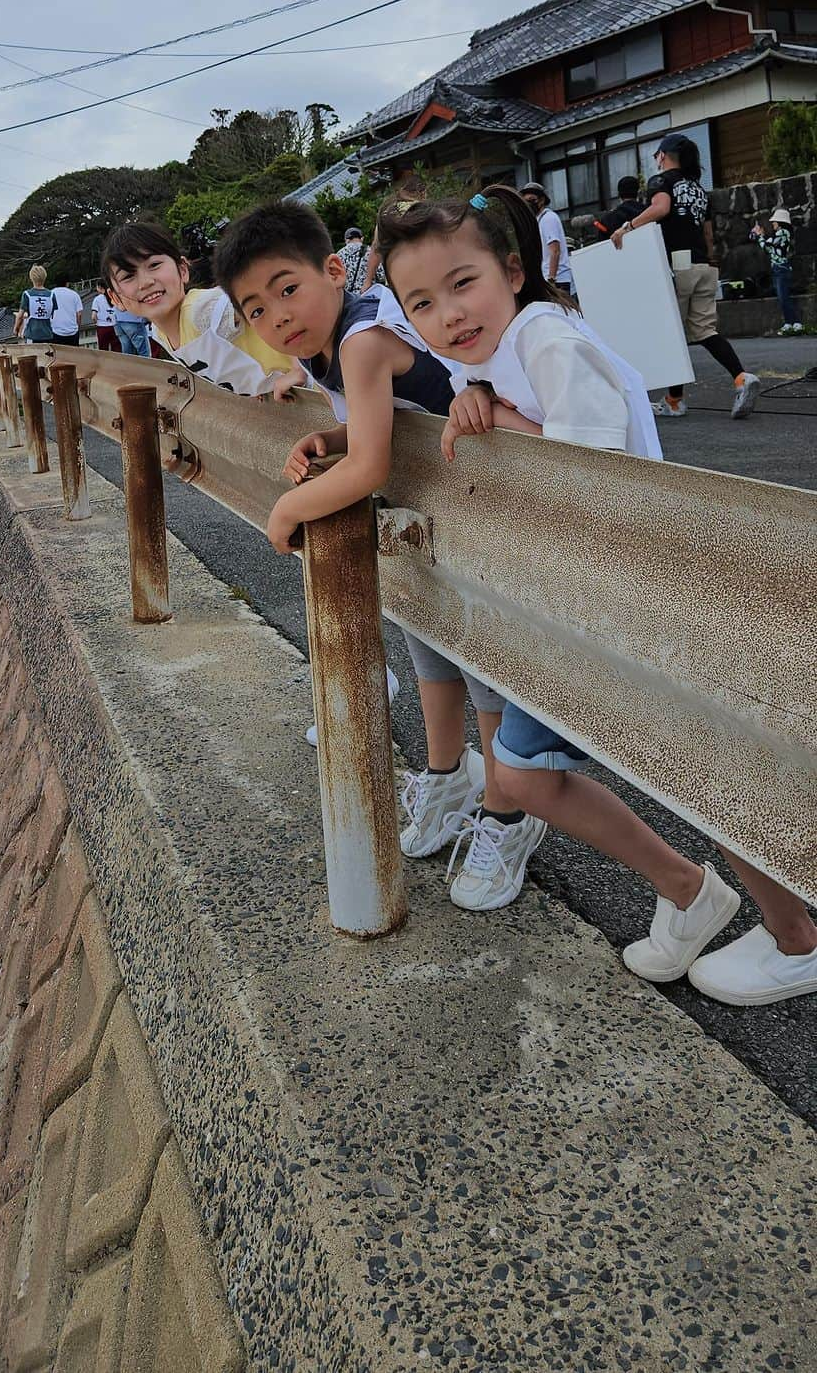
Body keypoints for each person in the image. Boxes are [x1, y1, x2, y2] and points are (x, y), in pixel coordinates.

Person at [376, 184, 817, 999]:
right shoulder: (487, 351)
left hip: (639, 581)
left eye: (463, 282)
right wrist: (477, 392)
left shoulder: (543, 335)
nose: (450, 313)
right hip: (591, 586)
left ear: (513, 271)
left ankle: (782, 932)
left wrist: (496, 417)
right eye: (422, 302)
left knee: (693, 757)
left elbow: (590, 474)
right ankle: (701, 897)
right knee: (601, 765)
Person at [213, 201, 546, 912]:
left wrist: (290, 507)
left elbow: (369, 466)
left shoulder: (360, 339)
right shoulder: (324, 343)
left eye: (288, 288)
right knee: (427, 643)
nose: (278, 315)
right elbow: (378, 419)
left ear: (334, 270)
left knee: (477, 657)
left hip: (485, 499)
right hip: (444, 496)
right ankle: (445, 772)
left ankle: (507, 813)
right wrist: (327, 442)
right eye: (255, 308)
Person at [611, 132, 760, 419]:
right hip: (704, 267)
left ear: (663, 156)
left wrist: (627, 227)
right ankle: (741, 378)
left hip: (679, 266)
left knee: (670, 334)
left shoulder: (662, 181)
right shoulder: (697, 188)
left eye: (656, 154)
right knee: (705, 330)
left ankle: (675, 401)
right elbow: (707, 234)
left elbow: (661, 208)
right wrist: (709, 260)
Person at [102, 221, 302, 397]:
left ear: (182, 269)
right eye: (128, 276)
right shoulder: (159, 332)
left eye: (154, 265)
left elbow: (273, 299)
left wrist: (298, 368)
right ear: (115, 298)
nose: (145, 282)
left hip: (313, 388)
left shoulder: (201, 310)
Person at [362, 167, 427, 291]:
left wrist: (368, 281)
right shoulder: (424, 210)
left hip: (395, 275)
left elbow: (376, 248)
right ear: (422, 192)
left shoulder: (387, 213)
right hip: (423, 270)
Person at [752, 207, 802, 334]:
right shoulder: (779, 234)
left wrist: (760, 236)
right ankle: (789, 322)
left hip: (781, 269)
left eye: (774, 222)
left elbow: (769, 244)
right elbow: (768, 249)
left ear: (780, 222)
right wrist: (759, 236)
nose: (772, 224)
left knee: (784, 297)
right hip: (777, 269)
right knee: (782, 297)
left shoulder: (784, 232)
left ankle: (796, 322)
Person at [518, 183, 573, 293]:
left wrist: (551, 279)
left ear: (541, 200)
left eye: (531, 200)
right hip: (548, 278)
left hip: (557, 280)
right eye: (525, 201)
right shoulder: (538, 220)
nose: (528, 204)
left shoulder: (548, 218)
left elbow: (555, 251)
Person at [594, 174, 643, 240]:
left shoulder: (607, 220)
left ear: (618, 194)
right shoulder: (649, 212)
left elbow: (601, 245)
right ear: (639, 193)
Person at [14, 265, 55, 342]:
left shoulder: (27, 294)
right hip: (47, 334)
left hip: (31, 333)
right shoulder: (51, 294)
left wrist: (16, 329)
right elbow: (52, 315)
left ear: (31, 278)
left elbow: (20, 316)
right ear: (45, 277)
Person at [338, 226, 370, 294]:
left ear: (346, 240)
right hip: (367, 296)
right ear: (362, 238)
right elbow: (381, 275)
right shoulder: (371, 252)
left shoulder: (340, 254)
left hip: (348, 298)